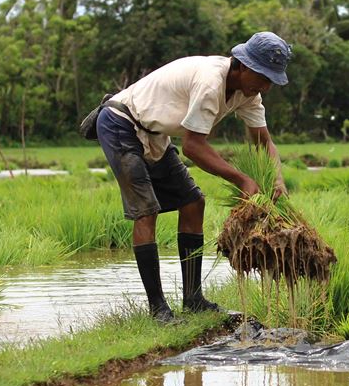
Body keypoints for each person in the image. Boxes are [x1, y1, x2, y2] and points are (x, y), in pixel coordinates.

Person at [96, 32, 292, 322]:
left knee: (192, 202)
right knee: (146, 211)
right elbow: (193, 146)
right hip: (121, 124)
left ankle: (194, 299)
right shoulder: (211, 82)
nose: (265, 85)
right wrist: (242, 180)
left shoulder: (249, 94)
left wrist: (277, 179)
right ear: (241, 65)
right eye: (262, 76)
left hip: (154, 134)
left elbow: (263, 141)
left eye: (271, 80)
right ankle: (158, 309)